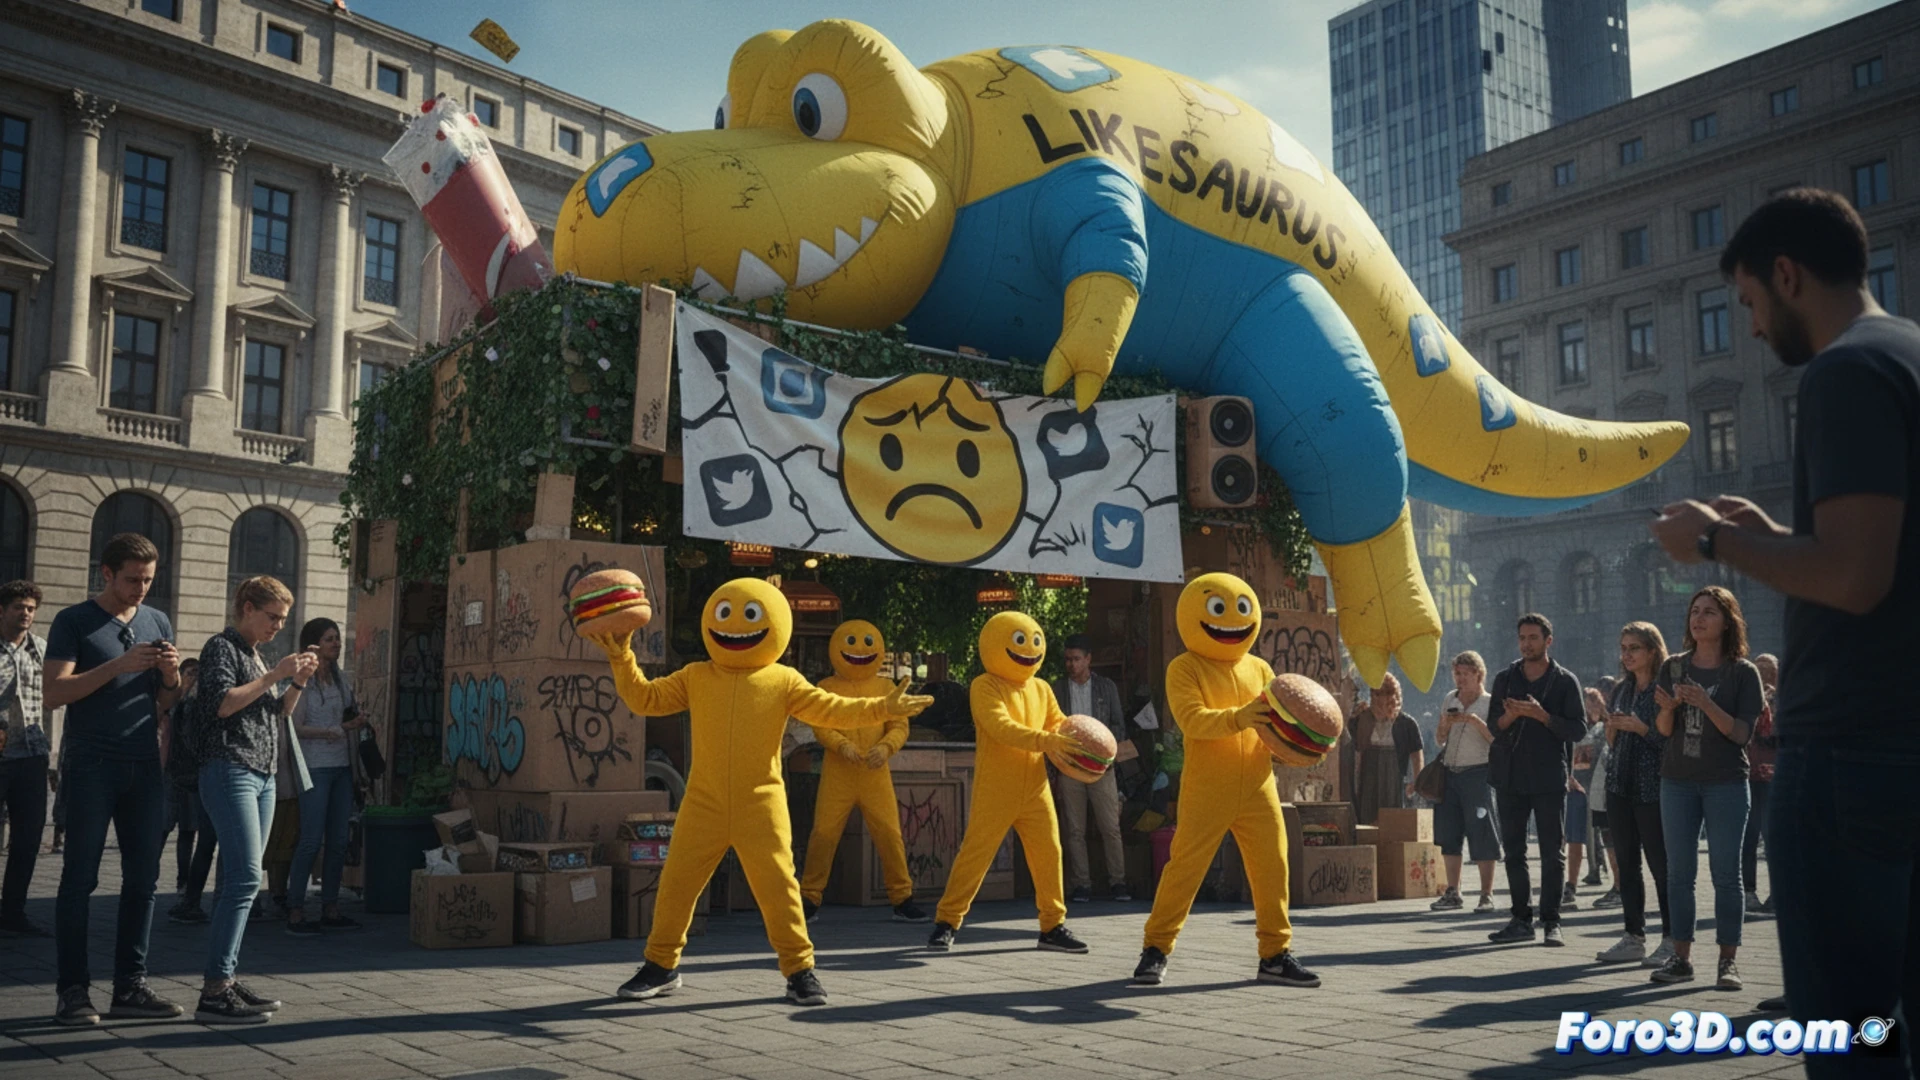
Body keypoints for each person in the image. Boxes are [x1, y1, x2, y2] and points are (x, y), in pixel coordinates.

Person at [1650, 190, 1916, 1062]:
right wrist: (1775, 541)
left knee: (1846, 1031)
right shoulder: (1908, 355)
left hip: (1850, 754)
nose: (1755, 330)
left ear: (1788, 274)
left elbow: (1852, 575)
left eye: (1751, 304)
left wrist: (1716, 542)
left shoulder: (1844, 371)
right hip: (1902, 737)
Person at [593, 579, 932, 1006]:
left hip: (762, 804)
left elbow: (832, 707)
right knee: (677, 885)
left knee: (780, 891)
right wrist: (621, 657)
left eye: (751, 614)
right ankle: (661, 965)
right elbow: (645, 699)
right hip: (703, 802)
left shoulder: (784, 680)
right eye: (726, 613)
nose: (735, 625)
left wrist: (882, 708)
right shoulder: (696, 676)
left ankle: (800, 970)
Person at [1132, 573, 1319, 988]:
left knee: (1272, 867)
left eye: (1240, 609)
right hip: (1207, 788)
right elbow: (1191, 720)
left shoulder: (1261, 667)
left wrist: (1300, 745)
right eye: (1219, 609)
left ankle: (1275, 954)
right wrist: (1238, 718)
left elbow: (1277, 728)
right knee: (1184, 870)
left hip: (1258, 785)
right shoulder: (1184, 667)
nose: (1231, 620)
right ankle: (1156, 949)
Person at [44, 533, 185, 1026]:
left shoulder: (156, 620)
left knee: (143, 880)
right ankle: (73, 991)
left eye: (149, 579)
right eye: (132, 579)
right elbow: (56, 693)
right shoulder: (74, 621)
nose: (141, 589)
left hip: (143, 763)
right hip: (90, 764)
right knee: (79, 878)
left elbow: (165, 702)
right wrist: (118, 664)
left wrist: (170, 678)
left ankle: (130, 985)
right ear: (106, 574)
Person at [190, 575, 317, 1024]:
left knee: (241, 881)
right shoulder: (221, 648)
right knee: (244, 878)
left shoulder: (255, 654)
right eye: (273, 617)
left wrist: (295, 682)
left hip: (261, 773)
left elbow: (278, 712)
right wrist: (275, 674)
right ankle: (214, 989)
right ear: (247, 607)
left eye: (283, 619)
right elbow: (223, 704)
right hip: (229, 768)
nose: (278, 627)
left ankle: (225, 977)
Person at [928, 611, 1089, 956]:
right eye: (1020, 641)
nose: (1029, 649)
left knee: (1049, 853)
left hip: (1035, 787)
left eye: (1034, 641)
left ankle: (1052, 926)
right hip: (996, 788)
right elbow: (1000, 727)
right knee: (976, 855)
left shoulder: (1042, 688)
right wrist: (1048, 741)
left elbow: (1059, 725)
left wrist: (1085, 744)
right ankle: (947, 921)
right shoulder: (984, 685)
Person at [1648, 587, 1763, 992]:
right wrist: (1669, 708)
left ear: (1727, 621)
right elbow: (1663, 731)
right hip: (1677, 780)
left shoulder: (1742, 673)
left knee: (1726, 875)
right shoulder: (1674, 667)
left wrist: (1705, 703)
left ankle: (1727, 961)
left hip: (1726, 782)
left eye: (1709, 612)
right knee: (1678, 874)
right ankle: (1681, 958)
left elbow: (1741, 735)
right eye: (1694, 612)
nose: (1698, 619)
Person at [796, 619, 931, 924]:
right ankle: (809, 898)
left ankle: (902, 898)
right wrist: (841, 745)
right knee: (823, 834)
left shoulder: (886, 687)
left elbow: (899, 726)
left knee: (889, 834)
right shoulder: (826, 688)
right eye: (851, 642)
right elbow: (821, 724)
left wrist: (885, 748)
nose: (859, 649)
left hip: (875, 771)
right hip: (838, 772)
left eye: (867, 643)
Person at [1485, 614, 1586, 948]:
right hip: (1510, 775)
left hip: (1548, 777)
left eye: (1533, 638)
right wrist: (1512, 715)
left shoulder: (1564, 681)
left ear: (1548, 640)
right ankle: (1519, 919)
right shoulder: (1505, 679)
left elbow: (1577, 729)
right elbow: (1494, 727)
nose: (1527, 644)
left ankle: (1551, 921)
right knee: (1513, 851)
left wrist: (1542, 716)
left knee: (1551, 852)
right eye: (1522, 638)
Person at [1596, 623, 1675, 969]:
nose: (1626, 655)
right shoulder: (1621, 690)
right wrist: (1612, 729)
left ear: (1653, 651)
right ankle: (1633, 936)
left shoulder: (1664, 689)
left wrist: (1640, 727)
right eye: (1623, 648)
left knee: (1661, 865)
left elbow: (1670, 743)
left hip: (1652, 787)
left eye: (1634, 648)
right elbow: (1612, 744)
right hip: (1619, 785)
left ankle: (1673, 938)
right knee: (1626, 864)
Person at [285, 618, 364, 936]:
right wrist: (334, 730)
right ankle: (295, 910)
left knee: (338, 841)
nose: (337, 643)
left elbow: (345, 716)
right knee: (310, 839)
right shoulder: (302, 682)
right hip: (314, 767)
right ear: (313, 645)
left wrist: (355, 720)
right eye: (330, 639)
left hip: (342, 767)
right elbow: (293, 724)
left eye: (338, 638)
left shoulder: (341, 679)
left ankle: (331, 906)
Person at [1050, 633, 1131, 903]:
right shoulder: (1058, 689)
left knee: (1111, 827)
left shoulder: (1106, 688)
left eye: (1076, 659)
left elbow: (1119, 724)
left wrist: (1107, 752)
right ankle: (1081, 884)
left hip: (1101, 768)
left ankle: (1118, 882)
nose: (1071, 665)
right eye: (1068, 660)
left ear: (1088, 659)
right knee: (1074, 829)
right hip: (1070, 766)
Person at [1429, 651, 1500, 914]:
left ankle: (1486, 894)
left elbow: (1496, 739)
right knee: (1449, 834)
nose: (1460, 679)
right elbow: (1439, 739)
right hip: (1450, 772)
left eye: (1465, 674)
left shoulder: (1490, 703)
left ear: (1479, 675)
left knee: (1482, 832)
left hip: (1477, 772)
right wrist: (1445, 725)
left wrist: (1473, 720)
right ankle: (1453, 891)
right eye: (1457, 674)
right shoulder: (1450, 698)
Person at [0, 580, 52, 936]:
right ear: (2, 610)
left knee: (28, 839)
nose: (26, 613)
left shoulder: (42, 650)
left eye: (31, 608)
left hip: (33, 755)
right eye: (19, 606)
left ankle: (13, 912)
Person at [1352, 673, 1423, 826]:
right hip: (1369, 768)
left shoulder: (1406, 723)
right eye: (1374, 694)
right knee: (1367, 811)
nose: (1377, 699)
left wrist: (1417, 780)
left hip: (1394, 770)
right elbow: (1355, 747)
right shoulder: (1363, 719)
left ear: (1391, 696)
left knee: (1392, 812)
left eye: (1381, 694)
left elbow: (1416, 752)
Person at [1562, 689, 1606, 911]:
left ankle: (1575, 881)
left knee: (1584, 836)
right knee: (1568, 837)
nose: (1589, 708)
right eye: (1586, 703)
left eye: (1593, 703)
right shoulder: (1573, 724)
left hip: (1593, 785)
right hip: (1571, 784)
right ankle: (1564, 883)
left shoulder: (1601, 728)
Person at [1742, 653, 1778, 915]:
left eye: (1769, 669)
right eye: (1760, 668)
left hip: (1775, 777)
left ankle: (1778, 894)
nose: (1764, 673)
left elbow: (1775, 735)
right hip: (1750, 775)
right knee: (1749, 837)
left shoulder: (1781, 699)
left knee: (1773, 837)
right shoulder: (1751, 695)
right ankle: (1749, 892)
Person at [164, 659, 201, 894]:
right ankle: (149, 874)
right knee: (162, 827)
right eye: (190, 673)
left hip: (192, 775)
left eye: (198, 674)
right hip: (170, 773)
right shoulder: (173, 700)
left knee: (188, 832)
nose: (194, 678)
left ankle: (183, 880)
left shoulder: (199, 703)